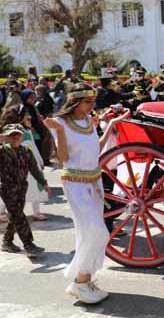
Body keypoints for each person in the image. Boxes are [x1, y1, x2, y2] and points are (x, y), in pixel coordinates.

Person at [43, 83, 129, 304]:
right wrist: (60, 132)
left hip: (94, 182)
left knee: (92, 234)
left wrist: (110, 124)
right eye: (88, 102)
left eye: (93, 101)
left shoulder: (88, 121)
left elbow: (96, 149)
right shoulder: (60, 123)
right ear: (75, 101)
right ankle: (79, 281)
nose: (92, 105)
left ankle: (85, 281)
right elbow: (62, 157)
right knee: (97, 232)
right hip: (75, 184)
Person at [0, 123, 51, 257]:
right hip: (7, 188)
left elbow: (34, 169)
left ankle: (7, 242)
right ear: (5, 137)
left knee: (15, 216)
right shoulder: (2, 151)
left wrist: (43, 183)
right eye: (12, 135)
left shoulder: (26, 151)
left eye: (18, 134)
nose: (16, 137)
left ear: (23, 136)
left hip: (22, 187)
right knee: (18, 216)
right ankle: (29, 244)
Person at [0, 105, 49, 220]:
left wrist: (40, 160)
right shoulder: (8, 131)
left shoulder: (27, 131)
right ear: (20, 117)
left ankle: (36, 212)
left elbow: (33, 147)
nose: (30, 118)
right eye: (27, 116)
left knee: (36, 188)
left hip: (31, 164)